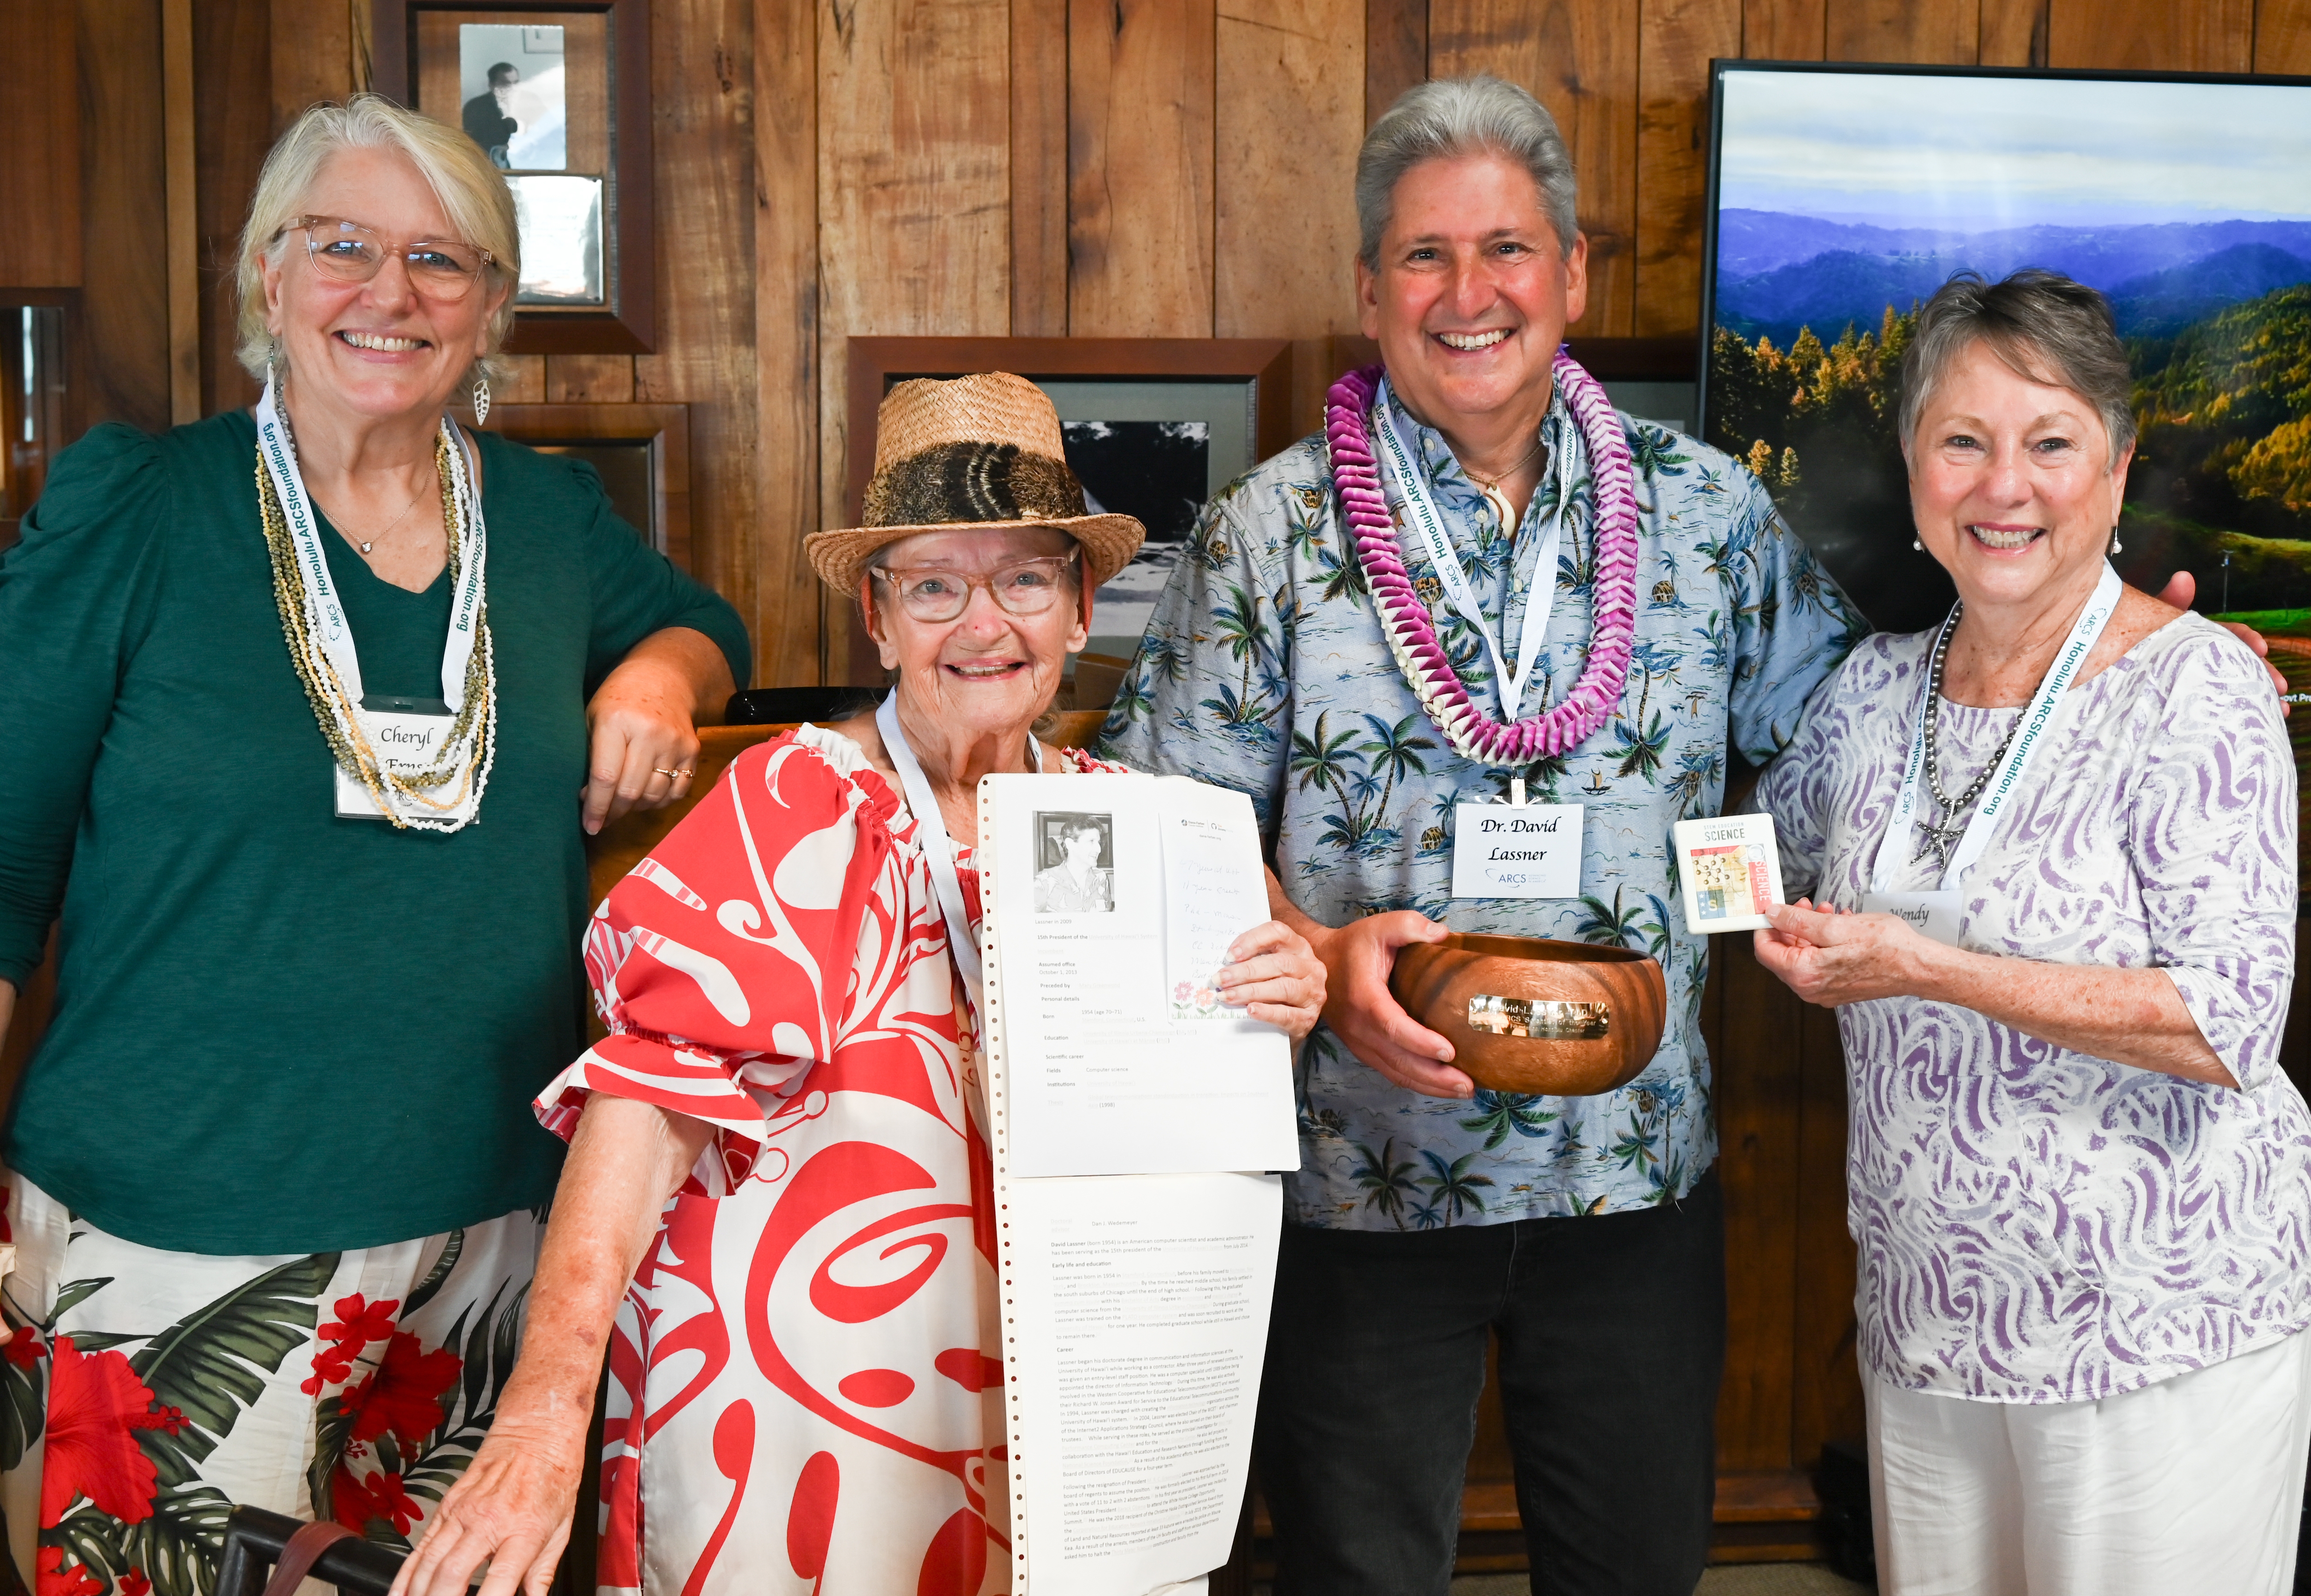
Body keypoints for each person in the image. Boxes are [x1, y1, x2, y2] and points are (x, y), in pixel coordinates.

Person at [1095, 77, 2285, 1596]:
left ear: (1573, 272)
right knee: (1354, 1574)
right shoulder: (1265, 531)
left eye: (1508, 250)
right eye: (1423, 257)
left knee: (1634, 1573)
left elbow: (1853, 732)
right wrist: (1322, 955)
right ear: (1366, 290)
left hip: (1634, 1183)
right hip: (1360, 1175)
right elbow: (1169, 824)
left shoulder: (1707, 512)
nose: (1471, 295)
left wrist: (2139, 645)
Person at [386, 374, 1329, 1596]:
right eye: (934, 585)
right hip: (792, 1442)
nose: (981, 625)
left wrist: (1273, 1004)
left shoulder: (1140, 827)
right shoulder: (790, 804)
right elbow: (646, 1100)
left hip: (1064, 1428)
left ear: (1080, 605)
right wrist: (546, 1407)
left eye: (1024, 580)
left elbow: (1197, 1127)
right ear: (878, 620)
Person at [0, 93, 746, 1594]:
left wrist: (659, 677)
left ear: (491, 311)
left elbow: (702, 628)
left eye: (441, 260)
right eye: (342, 245)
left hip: (489, 1253)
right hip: (176, 1245)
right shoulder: (140, 506)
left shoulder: (543, 519)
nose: (389, 293)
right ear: (267, 280)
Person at [1750, 269, 2311, 1596]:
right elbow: (1758, 863)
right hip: (1925, 1323)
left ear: (2112, 474)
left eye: (2049, 444)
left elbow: (2224, 1021)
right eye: (1962, 441)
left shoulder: (2196, 688)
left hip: (2154, 1331)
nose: (2003, 484)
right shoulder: (1869, 695)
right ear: (1912, 467)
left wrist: (1919, 968)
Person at [1035, 817, 1113, 911]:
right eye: (1091, 841)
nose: (1099, 849)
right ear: (1070, 844)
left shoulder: (1101, 878)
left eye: (1099, 842)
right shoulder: (1043, 882)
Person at [461, 63, 520, 169]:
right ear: (492, 85)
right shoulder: (476, 107)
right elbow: (477, 143)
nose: (513, 89)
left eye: (516, 83)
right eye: (506, 84)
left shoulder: (525, 104)